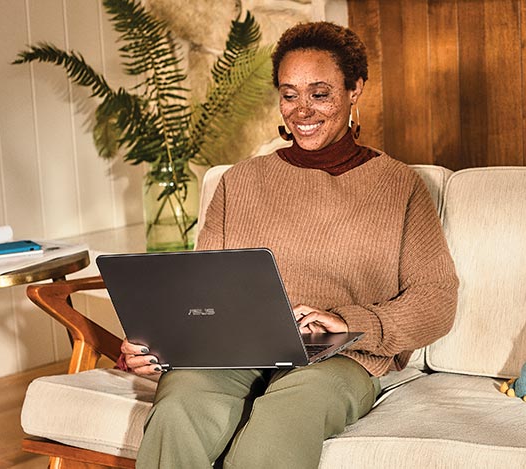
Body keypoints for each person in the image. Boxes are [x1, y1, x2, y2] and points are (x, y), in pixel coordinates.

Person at [118, 21, 459, 468]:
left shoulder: (399, 186)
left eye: (320, 93)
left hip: (343, 357)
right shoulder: (239, 181)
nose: (302, 110)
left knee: (283, 415)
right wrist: (160, 345)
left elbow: (436, 299)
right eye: (289, 93)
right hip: (234, 348)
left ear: (355, 89)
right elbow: (200, 296)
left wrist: (345, 321)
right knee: (180, 404)